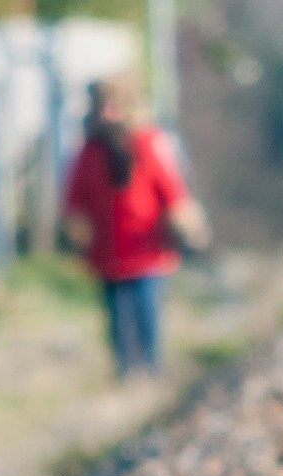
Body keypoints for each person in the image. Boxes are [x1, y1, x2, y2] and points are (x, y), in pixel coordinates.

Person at [62, 75, 209, 378]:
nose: (107, 114)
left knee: (146, 312)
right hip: (109, 249)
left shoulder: (148, 142)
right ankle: (125, 370)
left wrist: (183, 220)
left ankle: (152, 368)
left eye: (113, 106)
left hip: (146, 246)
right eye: (102, 107)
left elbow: (171, 187)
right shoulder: (90, 151)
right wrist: (76, 229)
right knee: (116, 316)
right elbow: (76, 196)